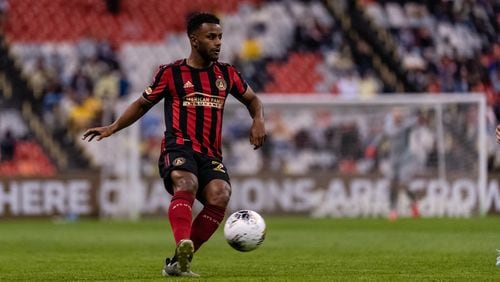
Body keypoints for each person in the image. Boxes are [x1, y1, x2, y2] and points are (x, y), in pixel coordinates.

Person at [82, 12, 266, 277]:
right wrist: (113, 127)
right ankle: (183, 242)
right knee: (186, 183)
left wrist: (258, 120)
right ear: (194, 39)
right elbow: (142, 104)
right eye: (211, 37)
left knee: (221, 194)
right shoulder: (171, 73)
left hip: (210, 153)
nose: (218, 43)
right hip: (178, 147)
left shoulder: (227, 74)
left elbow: (253, 101)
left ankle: (179, 263)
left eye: (220, 37)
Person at [382, 107, 421, 221]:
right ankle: (393, 210)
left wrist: (411, 117)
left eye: (399, 115)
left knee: (404, 184)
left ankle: (414, 204)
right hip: (393, 159)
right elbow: (390, 132)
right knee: (393, 184)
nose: (398, 117)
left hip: (406, 159)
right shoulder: (390, 127)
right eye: (396, 115)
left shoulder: (406, 126)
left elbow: (415, 121)